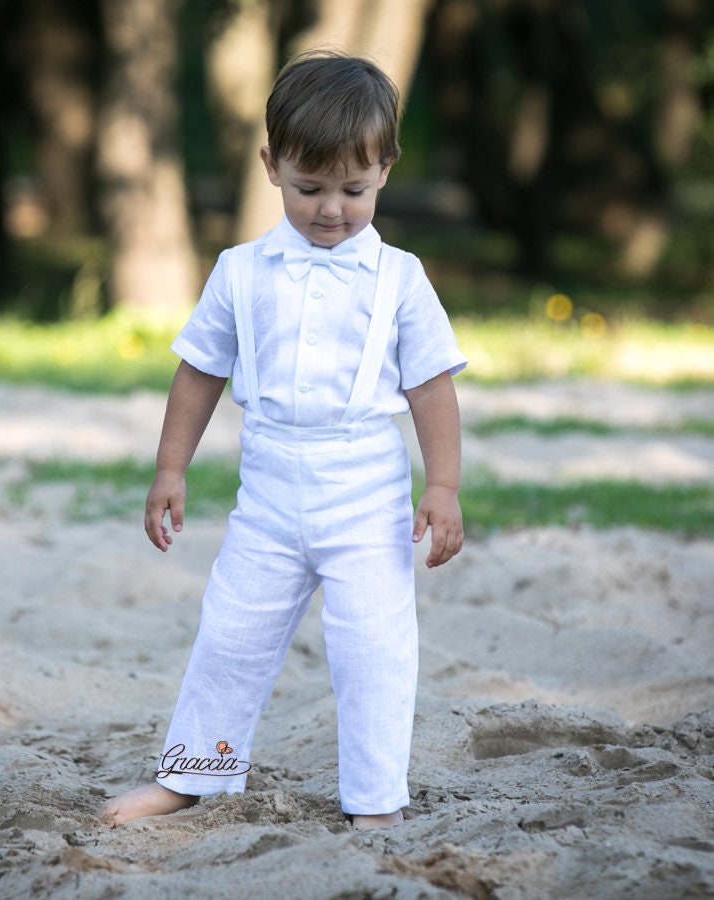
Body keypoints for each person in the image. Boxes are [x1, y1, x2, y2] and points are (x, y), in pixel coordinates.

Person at [100, 50, 466, 831]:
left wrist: (441, 486)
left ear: (386, 171)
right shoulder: (240, 271)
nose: (330, 208)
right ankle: (195, 776)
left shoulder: (401, 278)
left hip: (366, 493)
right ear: (272, 167)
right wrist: (171, 468)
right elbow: (199, 372)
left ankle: (375, 801)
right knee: (230, 636)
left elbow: (432, 387)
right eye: (309, 188)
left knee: (373, 651)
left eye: (353, 190)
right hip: (267, 492)